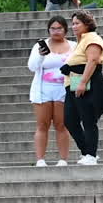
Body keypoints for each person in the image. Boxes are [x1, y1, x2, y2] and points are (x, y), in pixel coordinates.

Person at [60, 10, 103, 166]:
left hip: (86, 80)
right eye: (73, 23)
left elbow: (93, 60)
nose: (74, 26)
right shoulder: (81, 41)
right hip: (73, 81)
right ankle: (86, 151)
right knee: (70, 119)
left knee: (88, 119)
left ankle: (91, 154)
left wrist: (82, 82)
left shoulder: (92, 38)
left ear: (87, 24)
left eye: (77, 23)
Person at [27, 16, 74, 167]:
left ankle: (63, 159)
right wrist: (41, 56)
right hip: (43, 89)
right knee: (42, 124)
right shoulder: (40, 47)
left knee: (62, 124)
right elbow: (32, 67)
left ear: (65, 30)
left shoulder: (74, 46)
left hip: (64, 89)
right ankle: (40, 159)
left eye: (59, 28)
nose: (56, 31)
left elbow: (79, 67)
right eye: (53, 28)